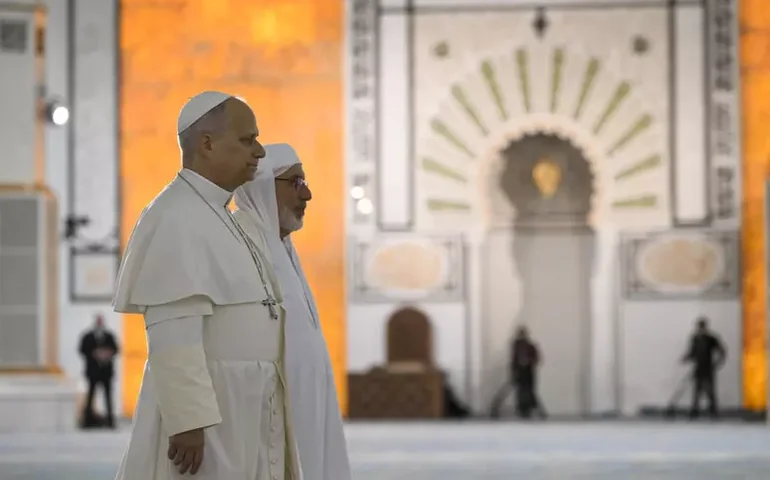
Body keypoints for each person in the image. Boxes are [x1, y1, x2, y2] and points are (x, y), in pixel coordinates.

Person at [112, 92, 301, 480]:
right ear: (207, 144)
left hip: (244, 402)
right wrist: (188, 421)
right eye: (247, 140)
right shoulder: (175, 216)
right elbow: (173, 334)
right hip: (210, 412)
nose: (260, 152)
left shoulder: (223, 213)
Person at [234, 144, 351, 480]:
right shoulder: (239, 245)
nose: (308, 194)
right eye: (295, 182)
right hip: (264, 413)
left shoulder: (281, 247)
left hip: (305, 403)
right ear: (262, 187)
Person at [78, 313, 119, 428]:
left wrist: (106, 354)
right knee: (91, 395)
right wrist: (94, 354)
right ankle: (87, 420)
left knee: (108, 396)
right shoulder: (88, 336)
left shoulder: (109, 336)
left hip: (106, 372)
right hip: (93, 372)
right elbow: (82, 349)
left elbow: (116, 349)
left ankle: (111, 421)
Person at [682, 317, 726, 419]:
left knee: (710, 390)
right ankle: (695, 410)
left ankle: (713, 410)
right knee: (697, 389)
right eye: (699, 327)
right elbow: (692, 352)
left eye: (702, 326)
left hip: (708, 367)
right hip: (698, 367)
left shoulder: (711, 339)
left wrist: (718, 363)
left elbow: (722, 351)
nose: (700, 329)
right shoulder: (694, 338)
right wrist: (686, 358)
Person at [510, 326, 545, 419]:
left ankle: (532, 408)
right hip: (520, 371)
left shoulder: (530, 346)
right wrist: (513, 372)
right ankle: (523, 409)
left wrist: (529, 362)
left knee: (529, 390)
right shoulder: (516, 346)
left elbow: (536, 358)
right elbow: (513, 360)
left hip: (528, 371)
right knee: (521, 391)